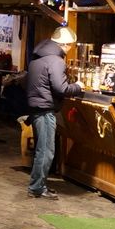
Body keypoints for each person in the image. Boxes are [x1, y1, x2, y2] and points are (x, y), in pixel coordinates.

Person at [25, 26, 82, 199]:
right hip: (45, 110)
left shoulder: (38, 56)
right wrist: (78, 87)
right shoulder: (56, 61)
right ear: (64, 44)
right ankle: (36, 187)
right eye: (70, 45)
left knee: (41, 150)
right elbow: (61, 88)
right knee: (46, 150)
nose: (71, 49)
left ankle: (37, 185)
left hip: (35, 107)